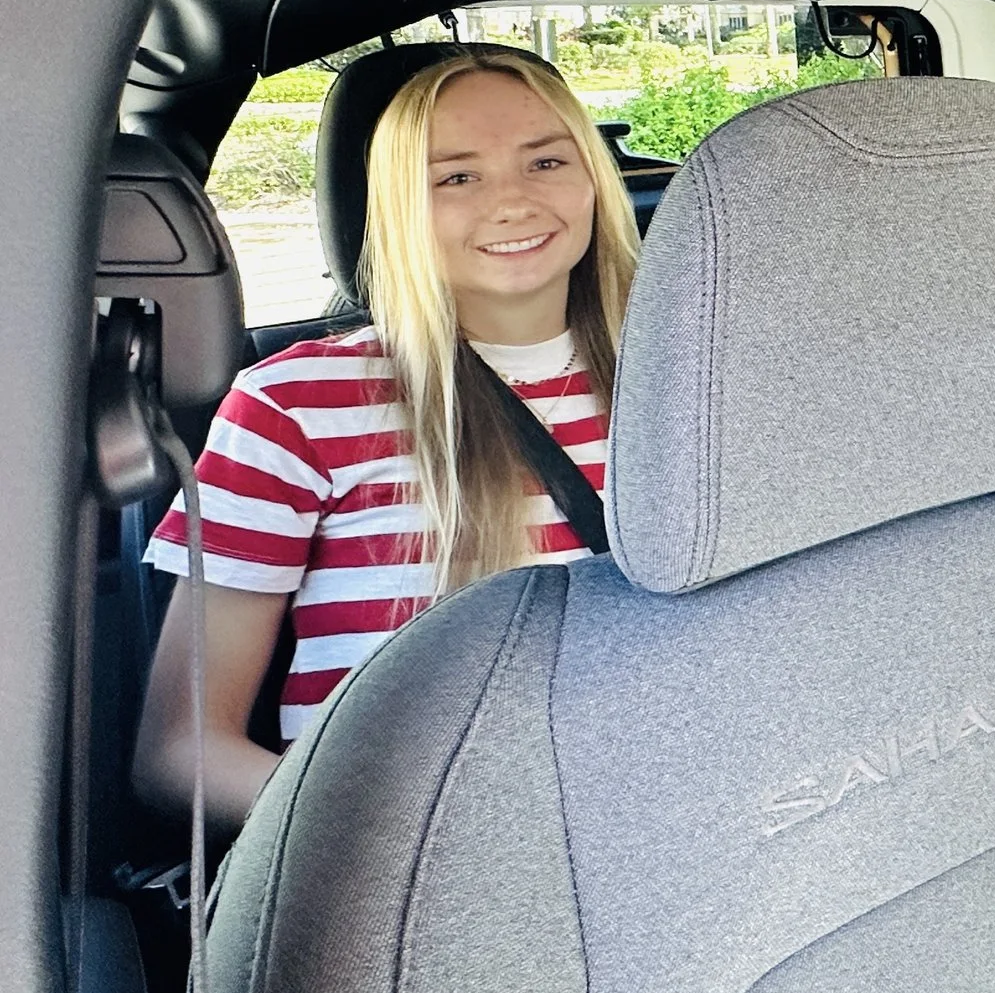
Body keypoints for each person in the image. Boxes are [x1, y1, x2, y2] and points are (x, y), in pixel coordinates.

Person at [134, 46, 639, 831]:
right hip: (407, 863)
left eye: (546, 161)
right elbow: (181, 750)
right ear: (398, 204)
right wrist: (394, 839)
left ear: (595, 181)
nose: (512, 201)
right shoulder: (293, 404)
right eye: (456, 177)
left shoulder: (696, 378)